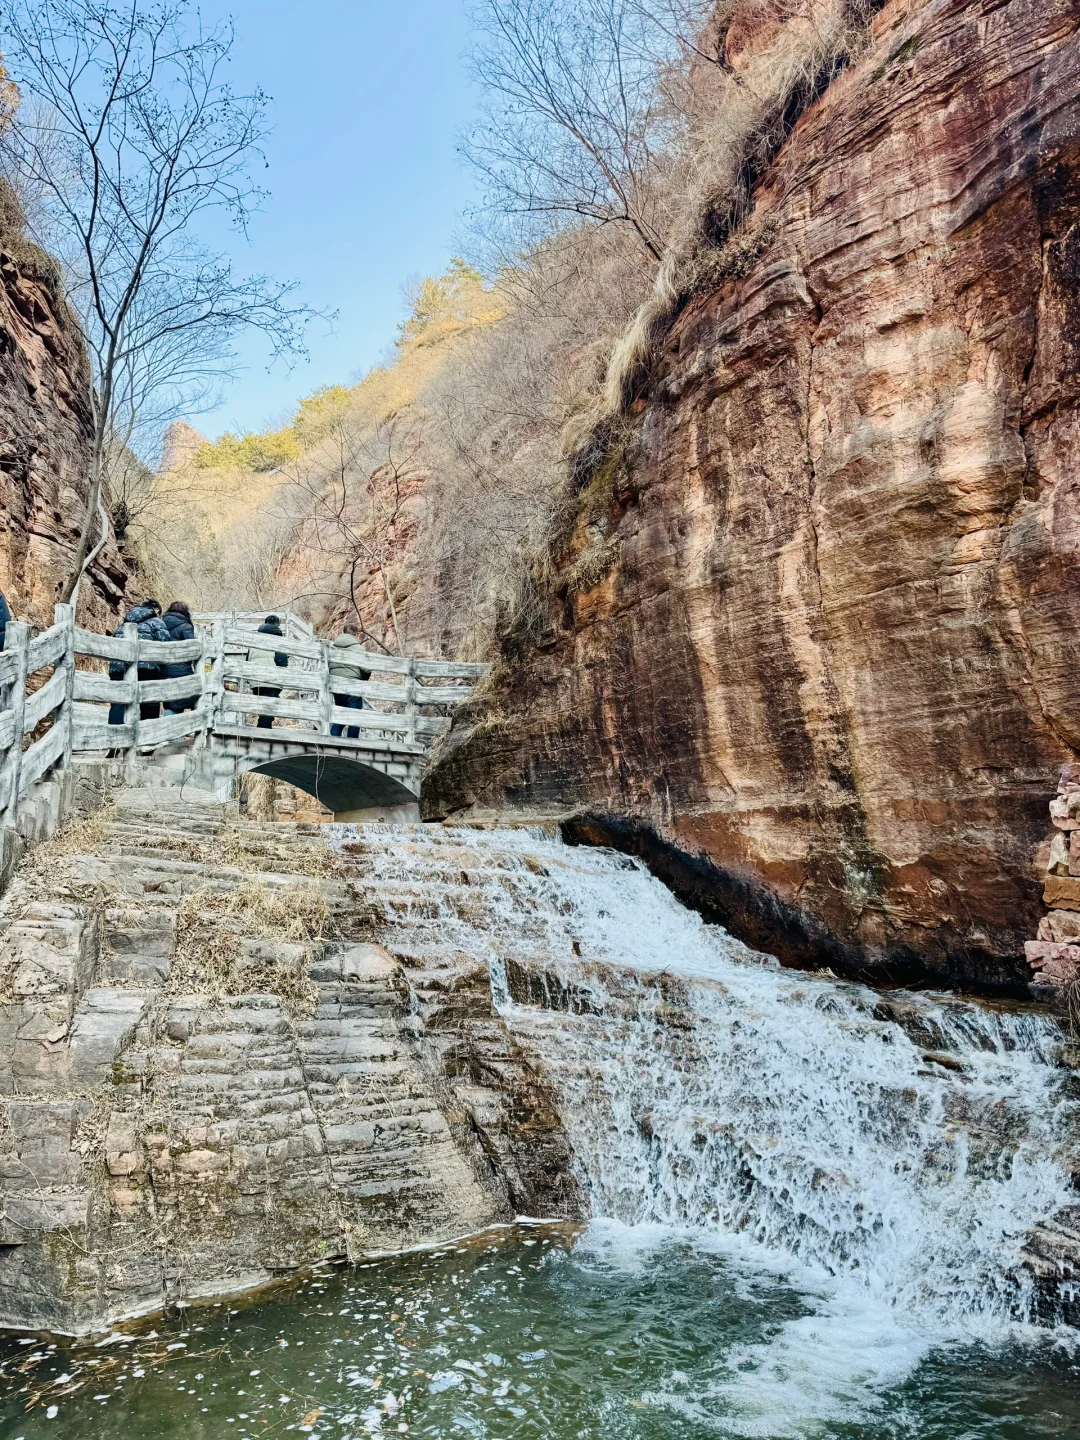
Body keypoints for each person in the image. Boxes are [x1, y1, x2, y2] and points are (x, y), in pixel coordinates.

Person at [107, 599, 170, 725]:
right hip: (146, 668)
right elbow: (165, 646)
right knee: (149, 701)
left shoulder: (124, 623)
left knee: (119, 702)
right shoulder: (157, 622)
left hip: (118, 667)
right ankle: (147, 737)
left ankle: (114, 738)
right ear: (156, 610)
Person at [328, 621, 371, 739]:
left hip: (336, 685)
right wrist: (362, 680)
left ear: (343, 633)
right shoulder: (358, 649)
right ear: (356, 635)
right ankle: (352, 743)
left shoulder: (333, 647)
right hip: (353, 685)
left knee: (340, 714)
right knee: (354, 716)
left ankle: (332, 739)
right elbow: (367, 670)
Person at [247, 614, 289, 728]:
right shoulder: (277, 639)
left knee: (264, 708)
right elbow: (281, 661)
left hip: (255, 680)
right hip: (270, 680)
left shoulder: (254, 641)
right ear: (277, 625)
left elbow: (247, 659)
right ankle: (262, 733)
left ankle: (264, 730)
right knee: (270, 707)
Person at [161, 600, 198, 713]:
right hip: (181, 669)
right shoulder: (185, 626)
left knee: (170, 701)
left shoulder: (161, 623)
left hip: (163, 668)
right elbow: (193, 648)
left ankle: (168, 724)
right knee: (182, 700)